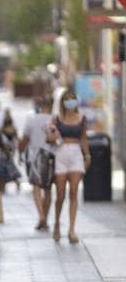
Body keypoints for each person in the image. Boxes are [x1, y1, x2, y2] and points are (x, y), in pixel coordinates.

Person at [47, 91, 91, 243]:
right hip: (61, 154)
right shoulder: (56, 118)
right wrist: (53, 135)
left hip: (76, 155)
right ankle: (57, 223)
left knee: (73, 192)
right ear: (62, 102)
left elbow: (84, 138)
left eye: (73, 99)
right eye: (67, 99)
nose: (70, 101)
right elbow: (49, 138)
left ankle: (71, 229)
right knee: (60, 195)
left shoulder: (82, 118)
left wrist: (87, 155)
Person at [19, 96, 54, 230]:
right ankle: (44, 217)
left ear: (39, 106)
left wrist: (20, 152)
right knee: (48, 189)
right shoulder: (55, 119)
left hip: (34, 155)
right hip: (51, 155)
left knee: (36, 187)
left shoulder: (32, 119)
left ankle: (41, 216)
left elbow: (25, 139)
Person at [0, 109, 22, 192]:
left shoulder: (2, 129)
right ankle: (16, 186)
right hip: (9, 152)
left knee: (7, 169)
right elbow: (18, 140)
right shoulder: (12, 129)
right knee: (10, 168)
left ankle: (4, 188)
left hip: (6, 153)